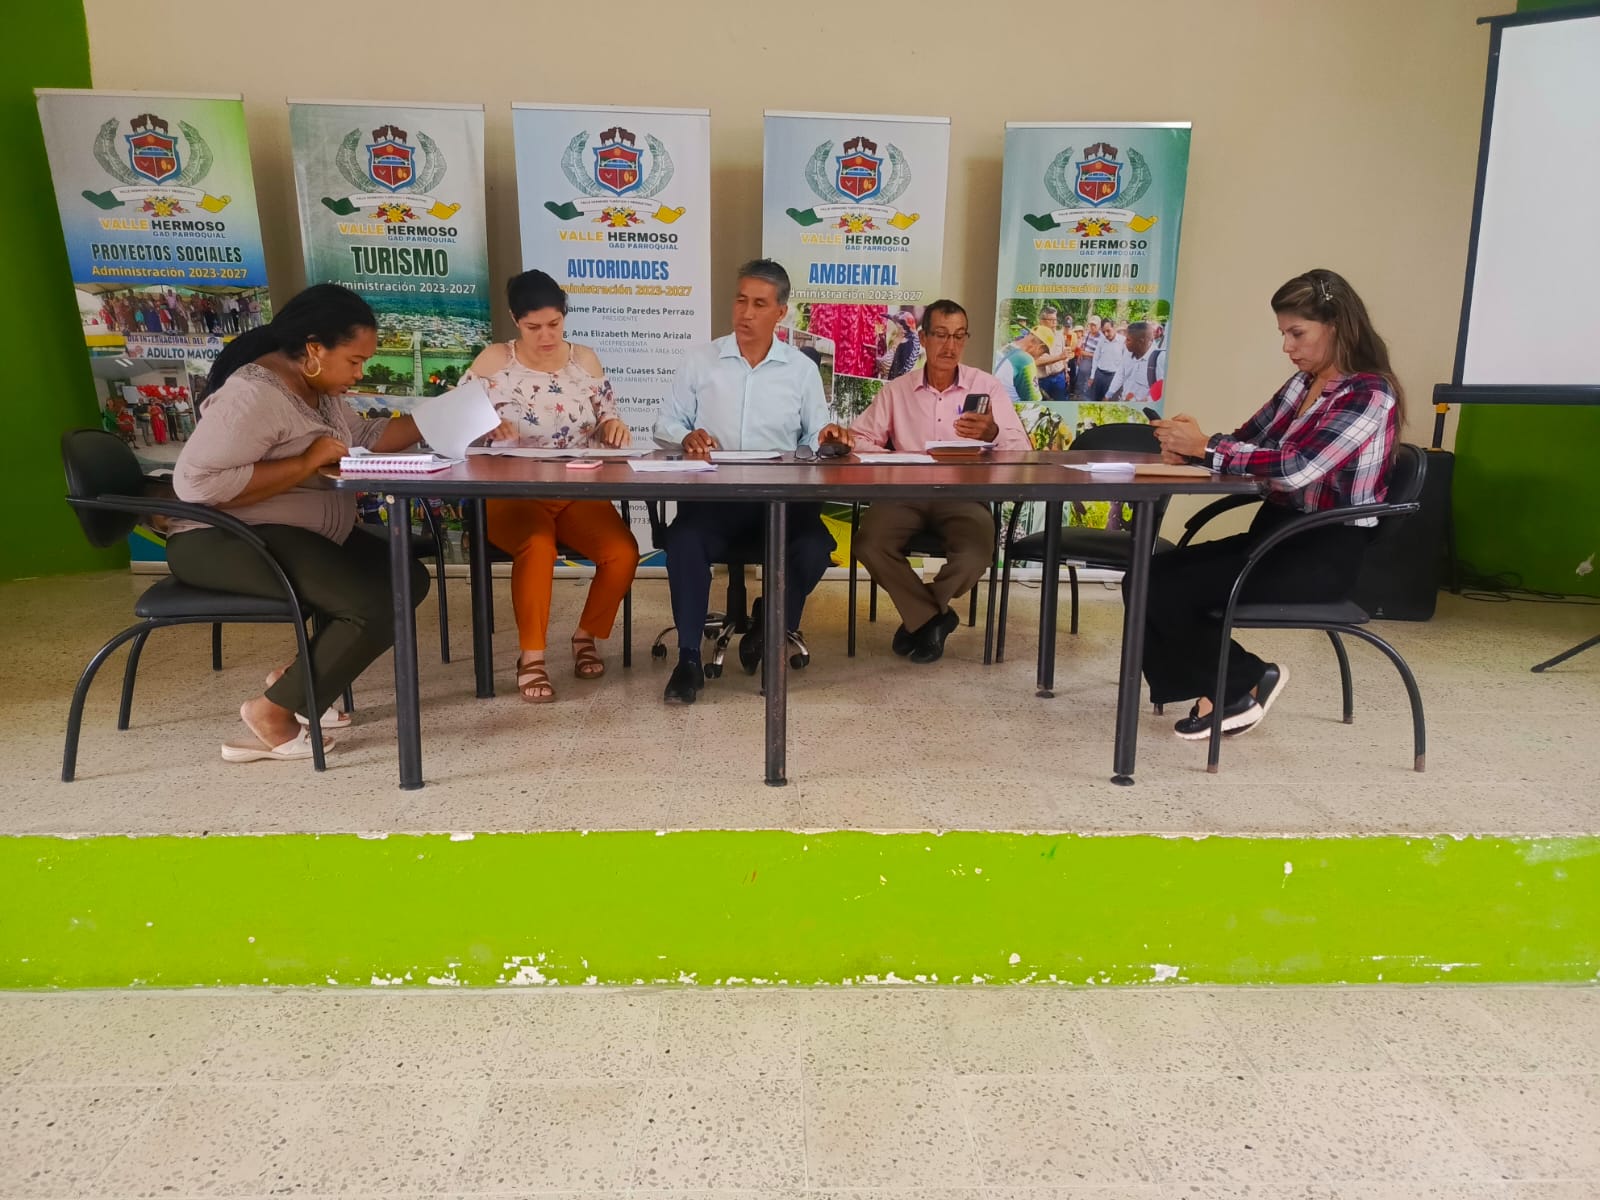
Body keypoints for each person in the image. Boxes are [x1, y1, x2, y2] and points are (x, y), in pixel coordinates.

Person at [167, 283, 510, 763]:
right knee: (373, 605)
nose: (359, 373)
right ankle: (272, 713)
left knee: (404, 577)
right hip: (222, 540)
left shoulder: (316, 391)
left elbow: (362, 434)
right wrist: (305, 463)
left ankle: (294, 683)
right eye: (354, 361)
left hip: (295, 532)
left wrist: (450, 413)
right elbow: (196, 484)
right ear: (314, 349)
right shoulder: (253, 395)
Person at [1142, 268, 1403, 740]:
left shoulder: (1370, 394)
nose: (1287, 346)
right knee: (1147, 575)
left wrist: (1206, 447)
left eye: (1297, 333)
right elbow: (1246, 441)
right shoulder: (1302, 386)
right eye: (1284, 333)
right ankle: (1228, 685)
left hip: (1322, 553)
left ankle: (1240, 682)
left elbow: (1297, 467)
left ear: (1337, 326)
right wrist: (1190, 447)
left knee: (1170, 589)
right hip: (1276, 535)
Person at [654, 258, 841, 704]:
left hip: (781, 503)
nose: (746, 312)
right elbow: (664, 424)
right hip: (713, 502)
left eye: (759, 304)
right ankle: (688, 659)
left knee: (815, 547)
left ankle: (770, 630)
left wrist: (827, 437)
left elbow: (816, 433)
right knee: (683, 542)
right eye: (741, 300)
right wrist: (685, 435)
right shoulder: (701, 361)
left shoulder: (799, 369)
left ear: (780, 312)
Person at [461, 269, 639, 703]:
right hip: (510, 494)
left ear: (564, 315)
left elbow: (607, 417)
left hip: (576, 490)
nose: (546, 336)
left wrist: (613, 427)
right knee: (537, 546)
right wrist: (484, 429)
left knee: (622, 553)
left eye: (554, 324)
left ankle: (585, 636)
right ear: (514, 320)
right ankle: (532, 657)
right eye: (533, 327)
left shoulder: (584, 361)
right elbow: (454, 426)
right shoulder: (494, 362)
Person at [844, 299, 1030, 662]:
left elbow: (1021, 450)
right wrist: (898, 459)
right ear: (924, 338)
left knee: (976, 555)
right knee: (869, 544)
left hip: (965, 495)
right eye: (942, 335)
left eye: (959, 336)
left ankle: (921, 616)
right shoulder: (897, 390)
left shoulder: (986, 387)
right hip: (904, 494)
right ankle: (933, 619)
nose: (950, 346)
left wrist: (992, 433)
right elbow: (858, 438)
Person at [1103, 320, 1166, 408]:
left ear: (1140, 341)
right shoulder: (1129, 352)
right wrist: (1108, 395)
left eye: (1128, 340)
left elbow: (1163, 391)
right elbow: (1120, 374)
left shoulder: (1159, 359)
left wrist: (1144, 402)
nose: (1125, 342)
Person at [992, 327, 1046, 407]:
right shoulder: (1026, 360)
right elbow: (1034, 402)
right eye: (1042, 354)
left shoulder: (1007, 346)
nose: (1039, 357)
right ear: (1040, 348)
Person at [1033, 306, 1073, 401]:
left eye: (1055, 319)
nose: (1055, 323)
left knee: (1061, 402)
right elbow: (1036, 361)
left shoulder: (1060, 336)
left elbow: (1064, 356)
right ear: (1041, 321)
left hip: (1059, 377)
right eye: (1051, 320)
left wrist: (1066, 372)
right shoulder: (1035, 338)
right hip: (1042, 380)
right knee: (1044, 404)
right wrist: (1059, 357)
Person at [1089, 320, 1124, 401]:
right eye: (1103, 332)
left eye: (1108, 331)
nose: (1106, 334)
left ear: (1114, 327)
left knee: (1110, 402)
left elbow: (1125, 364)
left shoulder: (1123, 341)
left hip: (1113, 377)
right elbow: (1096, 358)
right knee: (1096, 400)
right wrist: (1092, 376)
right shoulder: (1101, 340)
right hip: (1099, 375)